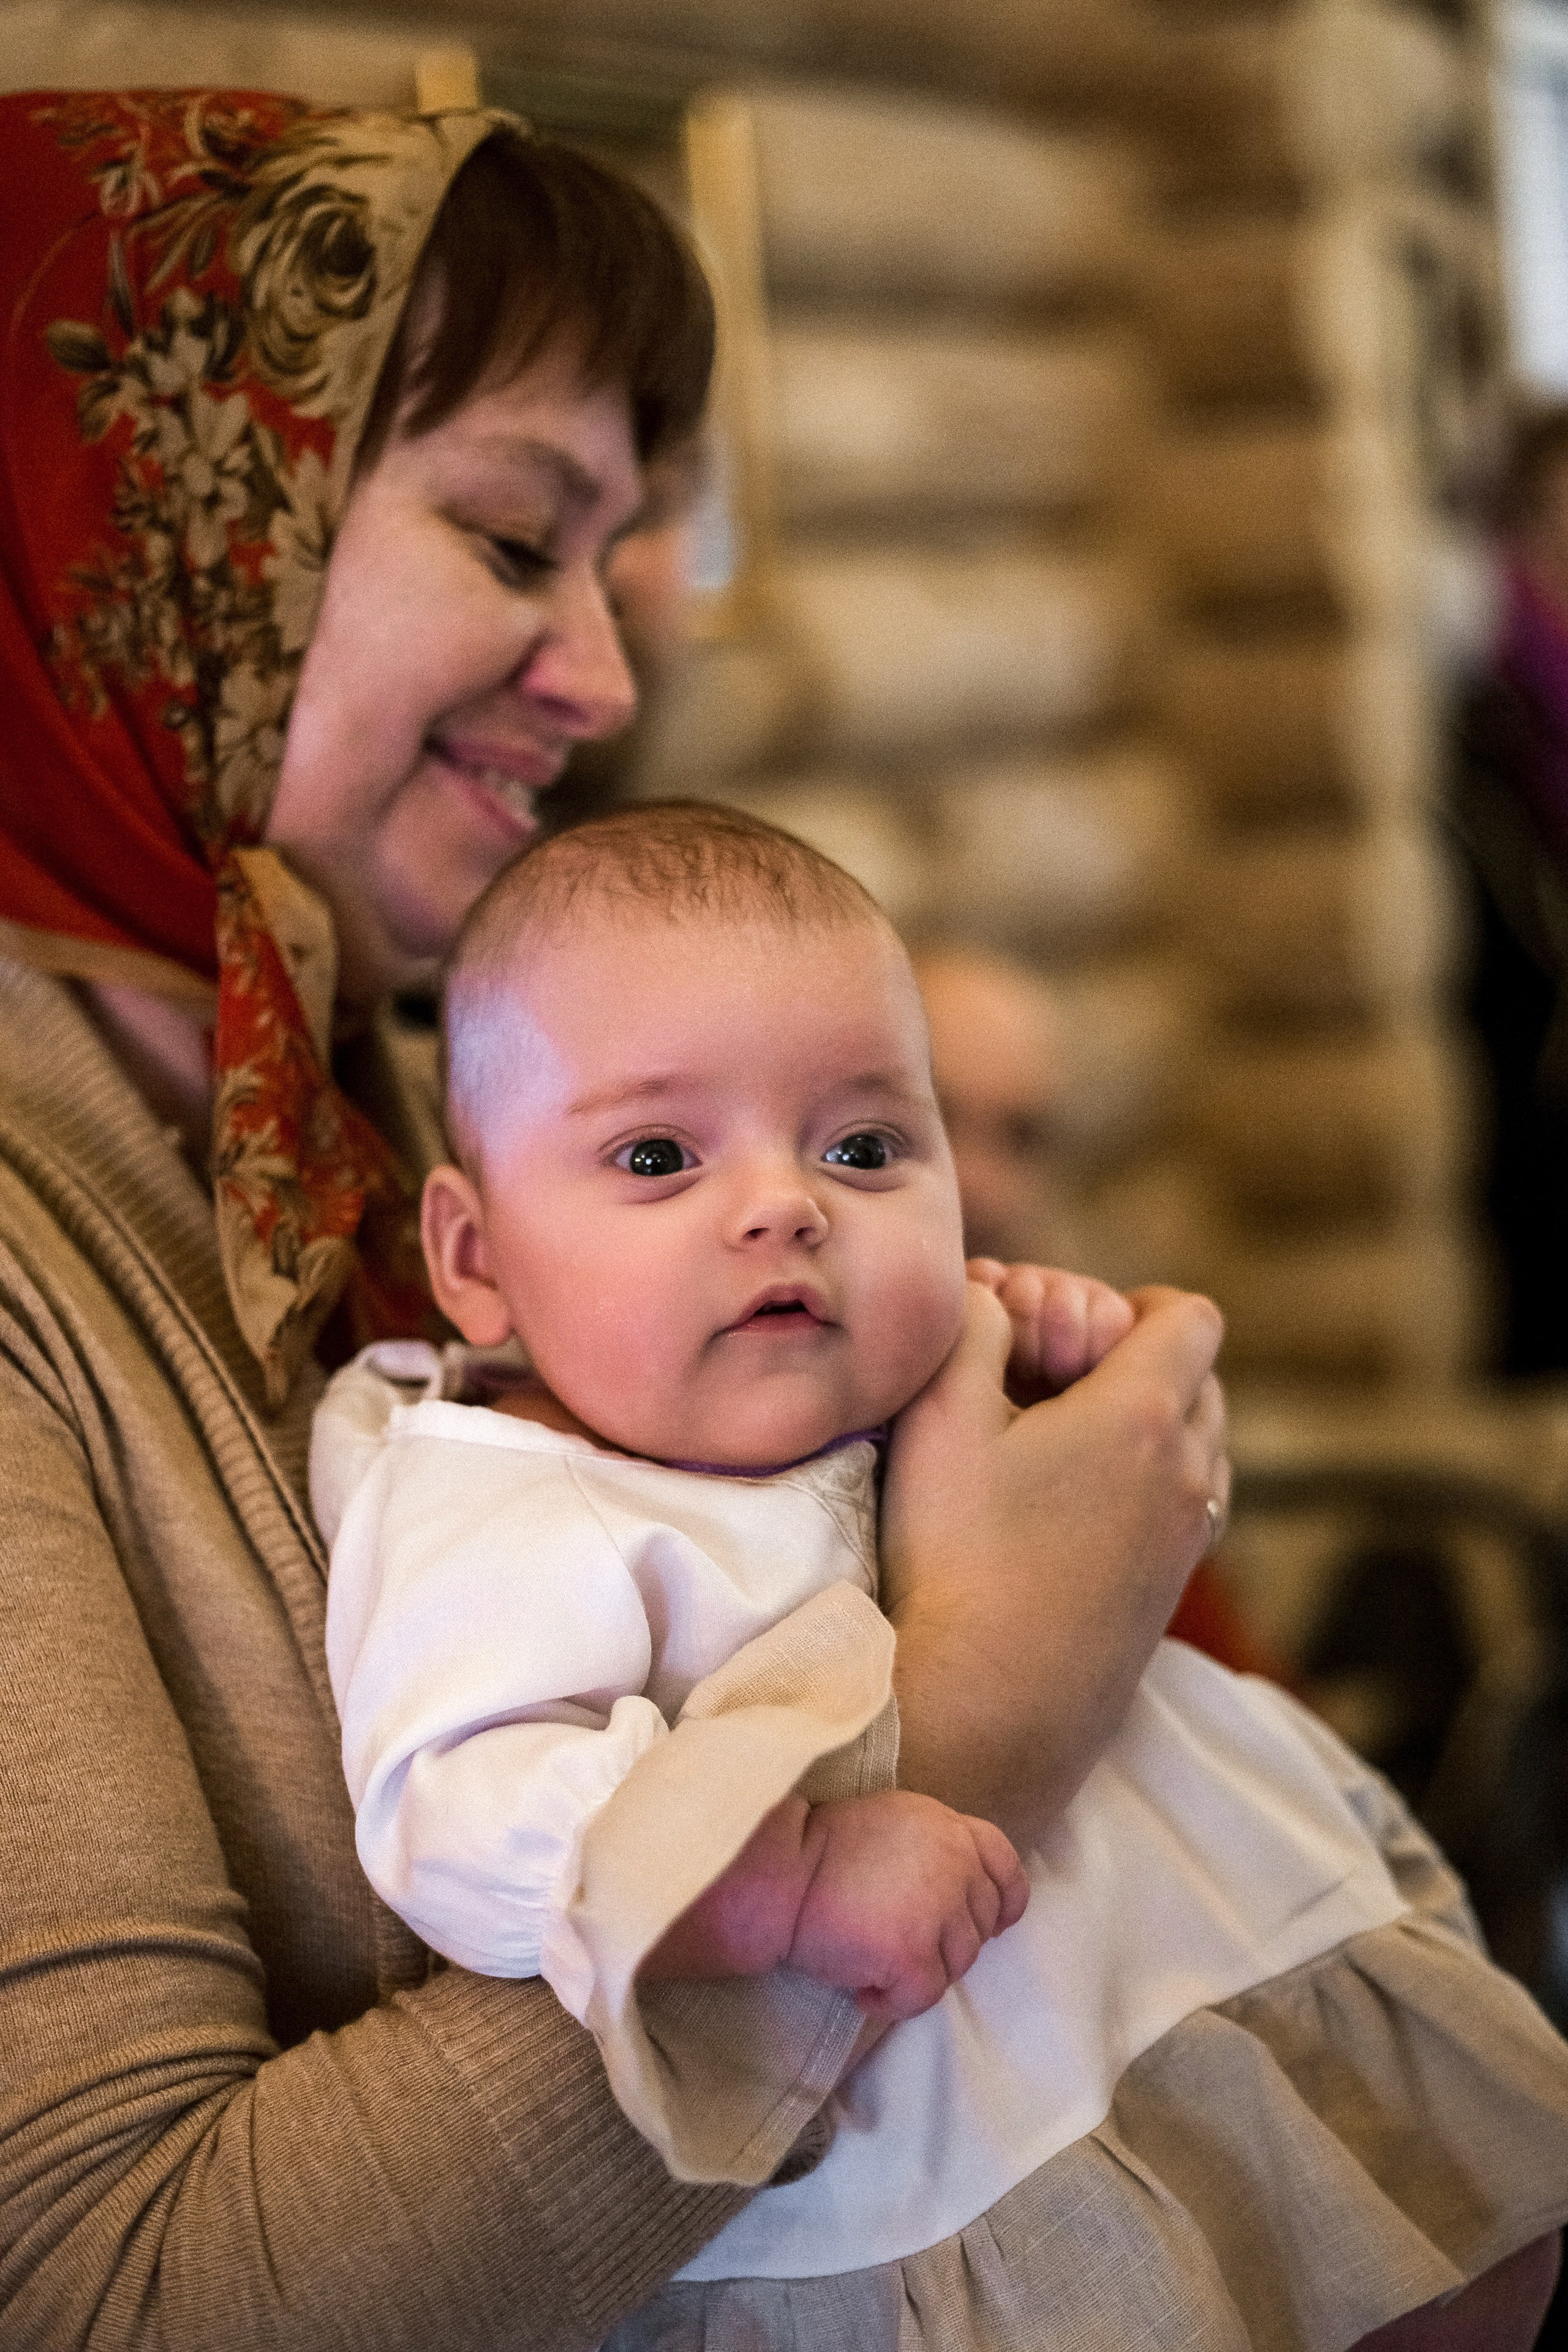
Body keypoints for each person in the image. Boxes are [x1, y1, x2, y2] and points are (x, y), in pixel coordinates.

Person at [0, 85, 1244, 2351]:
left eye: (616, 558)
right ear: (163, 520)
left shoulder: (361, 1095)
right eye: (510, 536)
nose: (598, 672)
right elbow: (112, 2293)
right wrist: (968, 1721)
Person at [313, 802, 1568, 2347]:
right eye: (657, 1155)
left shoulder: (867, 1368)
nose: (787, 1204)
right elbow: (456, 1806)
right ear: (473, 1255)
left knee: (1468, 2216)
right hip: (935, 2158)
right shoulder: (498, 1505)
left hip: (1184, 1978)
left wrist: (1032, 1347)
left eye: (863, 1146)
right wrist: (783, 1885)